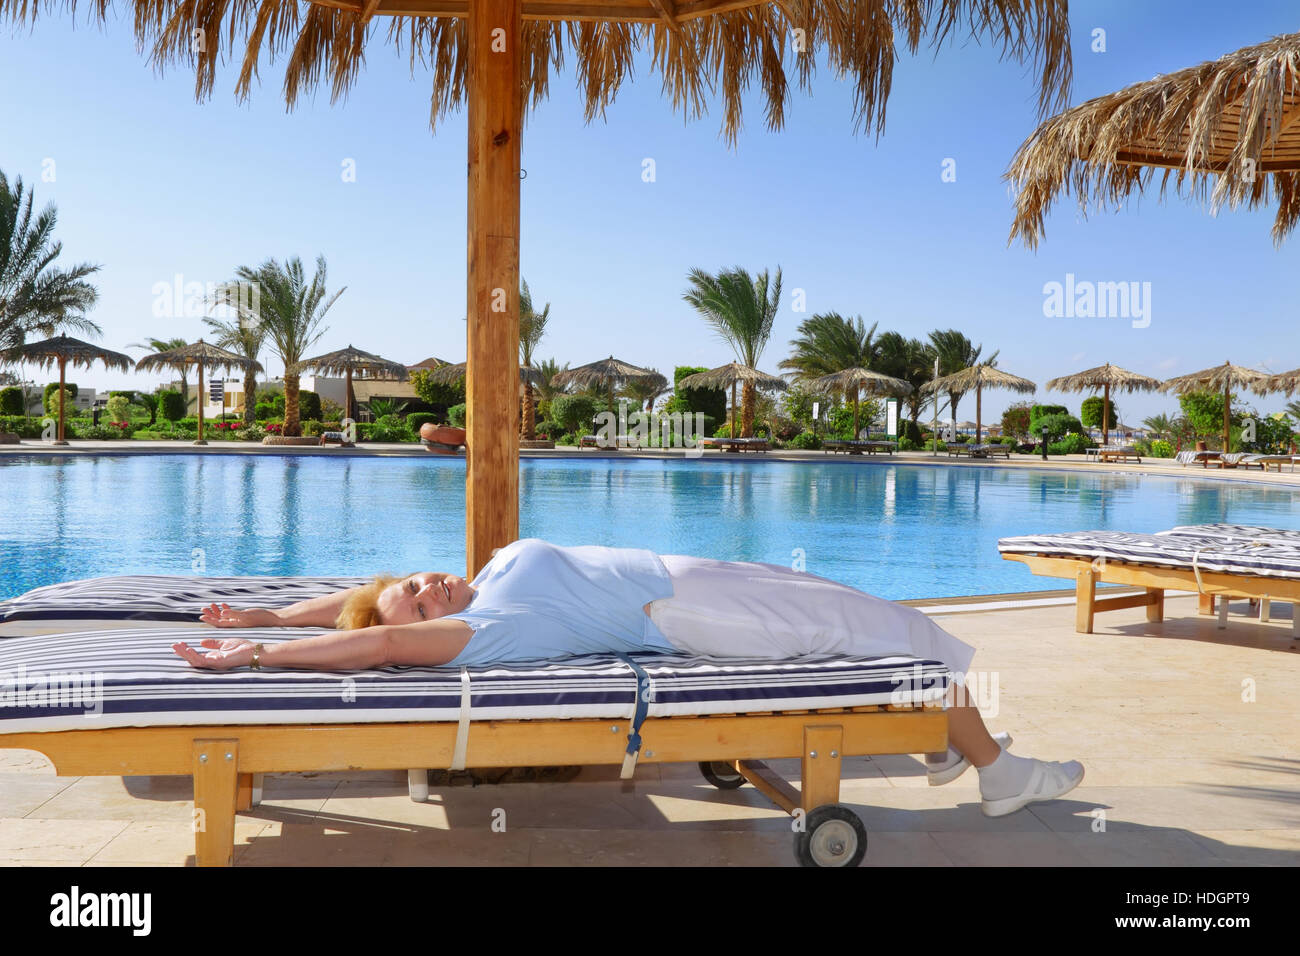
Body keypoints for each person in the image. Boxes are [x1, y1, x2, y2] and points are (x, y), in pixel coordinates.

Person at [173, 538, 1084, 817]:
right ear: (427, 632)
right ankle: (996, 769)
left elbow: (356, 606)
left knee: (859, 611)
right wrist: (261, 658)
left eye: (413, 583)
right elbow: (369, 643)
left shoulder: (478, 582)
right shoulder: (473, 630)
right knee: (897, 632)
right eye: (418, 603)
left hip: (685, 573)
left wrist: (262, 616)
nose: (423, 589)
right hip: (688, 614)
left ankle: (946, 748)